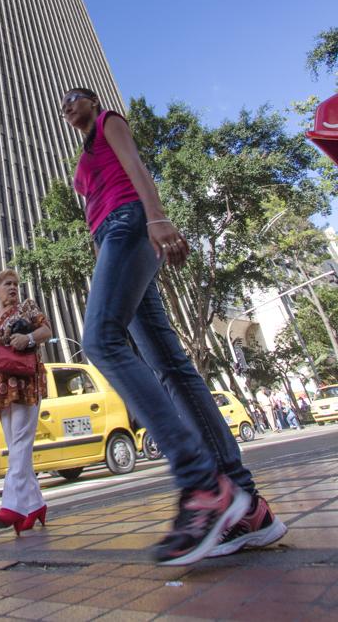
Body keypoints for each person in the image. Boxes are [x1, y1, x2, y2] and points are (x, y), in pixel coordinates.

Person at [60, 87, 286, 565]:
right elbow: (91, 216)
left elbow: (137, 170)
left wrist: (158, 218)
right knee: (169, 366)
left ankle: (202, 485)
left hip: (131, 224)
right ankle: (246, 506)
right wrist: (106, 266)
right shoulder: (81, 161)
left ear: (91, 102)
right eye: (62, 106)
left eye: (74, 100)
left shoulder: (107, 123)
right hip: (113, 242)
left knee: (100, 341)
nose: (67, 109)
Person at [0, 269, 52, 534]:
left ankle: (12, 505)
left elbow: (46, 330)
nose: (13, 288)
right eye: (7, 284)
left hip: (26, 383)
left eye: (16, 284)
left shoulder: (27, 308)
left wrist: (27, 338)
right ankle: (36, 504)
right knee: (17, 446)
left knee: (20, 443)